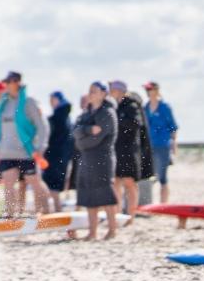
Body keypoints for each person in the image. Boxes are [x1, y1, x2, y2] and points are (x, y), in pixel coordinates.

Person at [0, 73, 49, 217]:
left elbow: (42, 127)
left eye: (8, 82)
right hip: (7, 151)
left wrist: (41, 147)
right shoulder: (2, 103)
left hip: (26, 151)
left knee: (34, 182)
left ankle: (45, 212)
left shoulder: (29, 102)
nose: (6, 86)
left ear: (17, 82)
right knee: (8, 185)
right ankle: (10, 216)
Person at [70, 82, 119, 240]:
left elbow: (97, 139)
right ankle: (92, 232)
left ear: (103, 94)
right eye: (89, 91)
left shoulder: (108, 113)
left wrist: (82, 139)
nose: (90, 94)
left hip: (102, 158)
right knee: (88, 195)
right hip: (86, 159)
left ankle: (112, 230)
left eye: (94, 91)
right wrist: (88, 130)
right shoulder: (86, 113)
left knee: (105, 194)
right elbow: (76, 132)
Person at [109, 80, 152, 224]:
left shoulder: (131, 104)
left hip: (130, 150)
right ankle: (116, 214)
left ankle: (131, 215)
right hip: (116, 149)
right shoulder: (112, 105)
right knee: (115, 182)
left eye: (112, 89)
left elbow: (135, 124)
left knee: (129, 182)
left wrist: (117, 122)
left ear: (119, 90)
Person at [143, 82, 178, 205]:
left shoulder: (165, 107)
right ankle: (149, 202)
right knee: (149, 175)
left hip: (163, 145)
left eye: (150, 89)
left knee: (162, 176)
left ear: (156, 90)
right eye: (146, 89)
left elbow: (172, 127)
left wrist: (174, 144)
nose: (148, 91)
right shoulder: (145, 108)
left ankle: (164, 204)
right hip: (149, 146)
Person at [42, 92, 74, 198]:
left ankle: (55, 211)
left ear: (58, 100)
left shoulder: (57, 117)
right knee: (56, 185)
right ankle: (56, 209)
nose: (50, 102)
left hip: (55, 155)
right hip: (62, 155)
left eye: (52, 99)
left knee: (52, 185)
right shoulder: (66, 116)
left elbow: (51, 136)